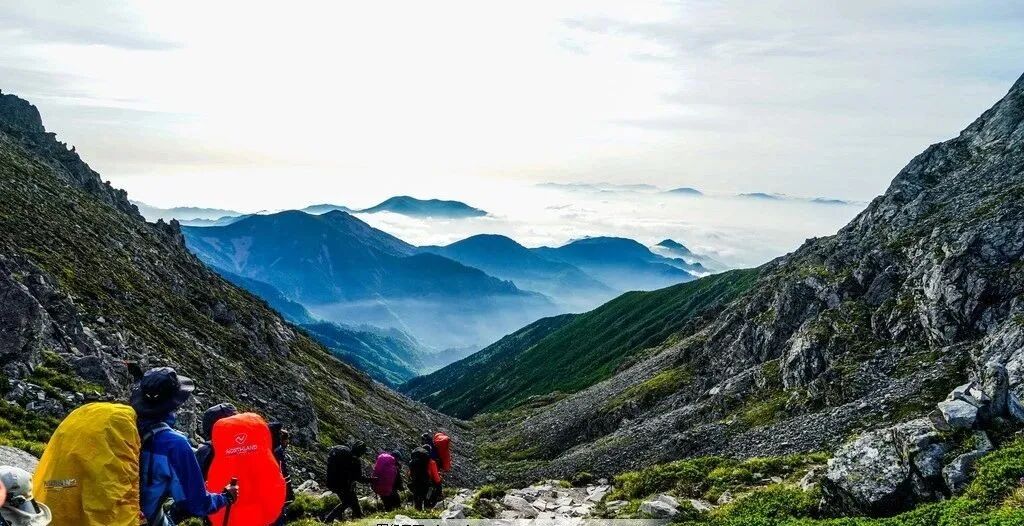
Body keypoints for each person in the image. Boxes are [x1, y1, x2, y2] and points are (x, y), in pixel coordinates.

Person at [130, 367, 238, 525]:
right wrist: (226, 497)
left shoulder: (123, 429)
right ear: (174, 404)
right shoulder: (174, 444)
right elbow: (195, 504)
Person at [324, 441, 373, 521]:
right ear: (360, 452)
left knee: (353, 500)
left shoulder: (344, 453)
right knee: (347, 502)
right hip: (343, 485)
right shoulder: (355, 461)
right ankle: (328, 520)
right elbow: (358, 478)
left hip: (331, 482)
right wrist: (371, 480)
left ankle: (358, 517)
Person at [269, 423, 293, 526]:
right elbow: (283, 474)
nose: (288, 442)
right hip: (276, 491)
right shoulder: (278, 451)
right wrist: (289, 494)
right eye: (287, 440)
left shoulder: (268, 448)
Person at [408, 445, 441, 511]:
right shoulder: (431, 462)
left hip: (415, 483)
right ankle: (427, 511)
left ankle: (417, 513)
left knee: (417, 499)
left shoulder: (414, 461)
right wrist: (439, 485)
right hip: (426, 484)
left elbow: (409, 473)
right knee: (427, 498)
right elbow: (436, 478)